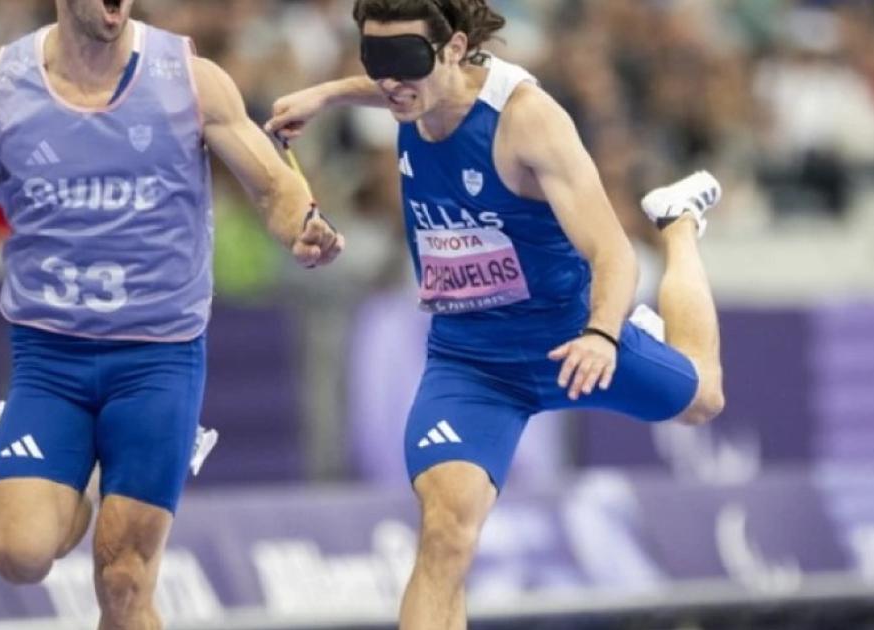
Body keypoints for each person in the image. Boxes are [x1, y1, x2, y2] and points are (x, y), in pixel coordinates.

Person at [0, 0, 342, 627]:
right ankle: (83, 480)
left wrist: (302, 225)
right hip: (49, 359)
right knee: (18, 554)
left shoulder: (190, 79)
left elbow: (272, 184)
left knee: (124, 578)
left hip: (158, 359)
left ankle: (105, 489)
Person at [265, 1, 724, 628]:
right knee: (446, 535)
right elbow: (398, 83)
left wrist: (602, 332)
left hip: (572, 343)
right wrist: (326, 95)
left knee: (703, 398)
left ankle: (678, 223)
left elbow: (614, 255)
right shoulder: (414, 92)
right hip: (472, 365)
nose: (390, 82)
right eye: (375, 59)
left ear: (454, 48)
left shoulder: (527, 120)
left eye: (405, 59)